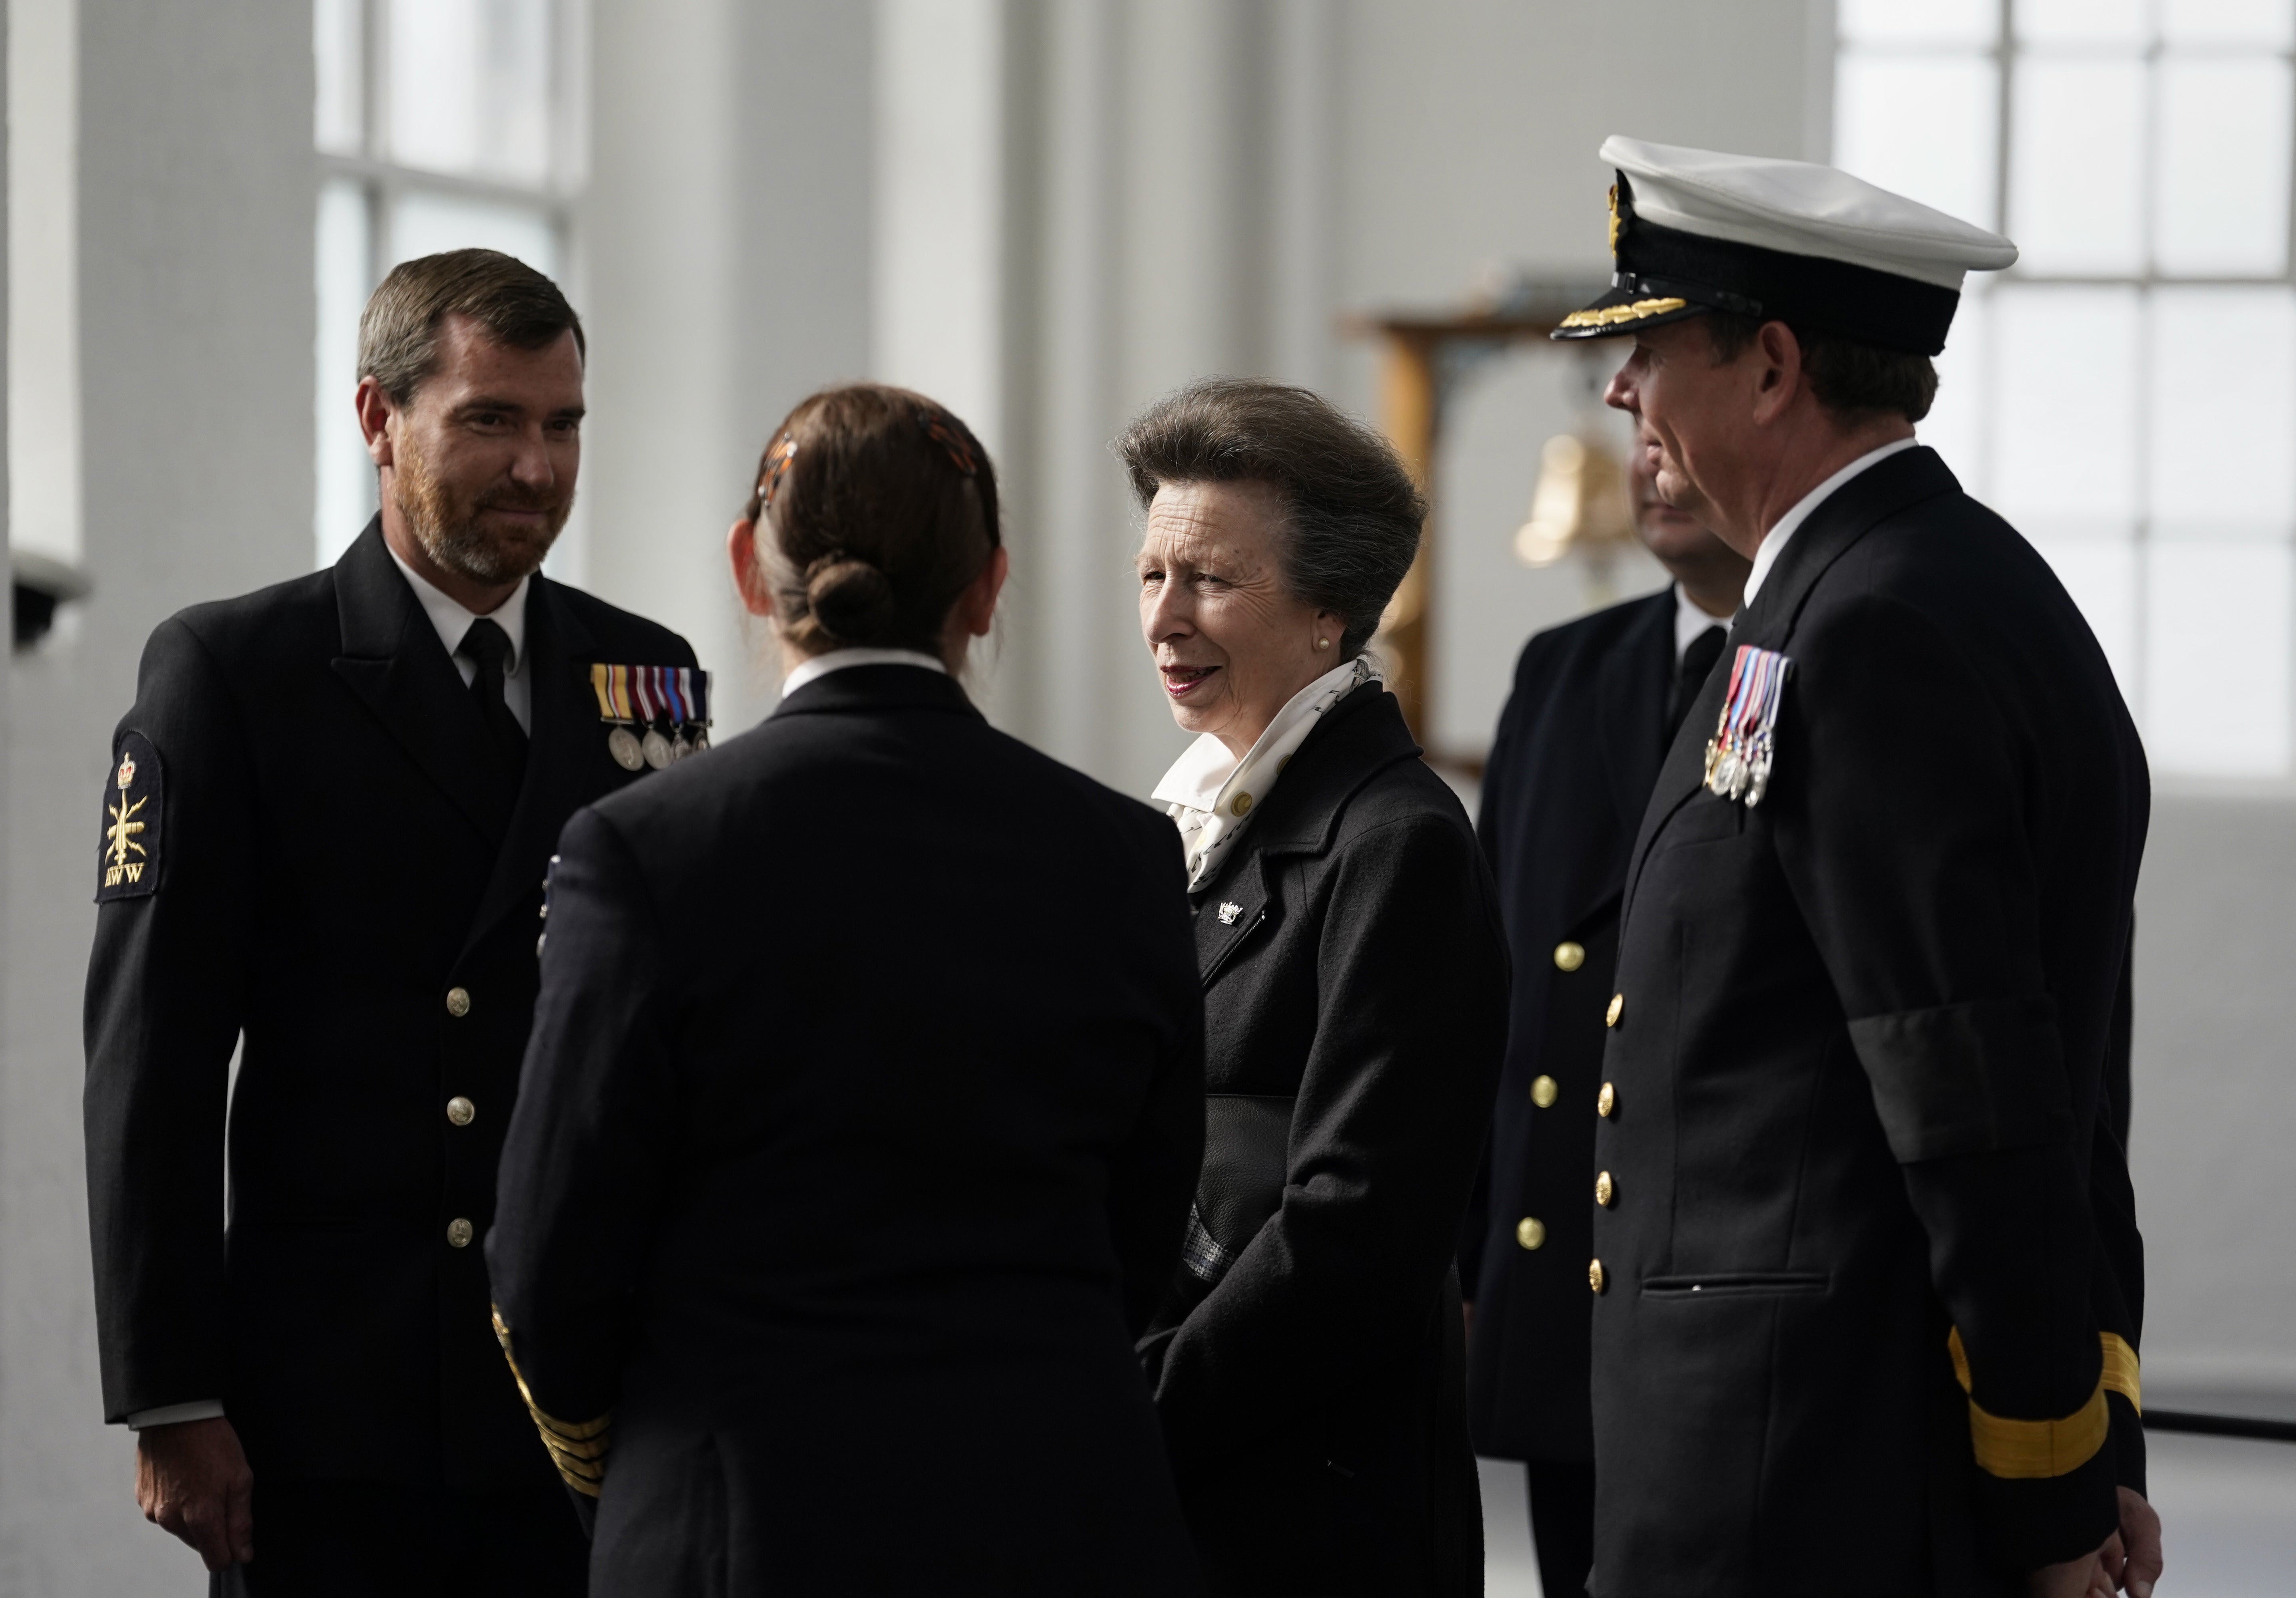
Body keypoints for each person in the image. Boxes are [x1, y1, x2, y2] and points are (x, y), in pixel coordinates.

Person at [1551, 136, 2162, 1598]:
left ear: (1770, 367)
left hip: (1812, 1476)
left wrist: (2052, 1485)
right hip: (1800, 1452)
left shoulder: (1874, 627)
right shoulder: (1891, 589)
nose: (1622, 393)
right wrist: (2093, 1447)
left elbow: (1980, 1100)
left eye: (1649, 350)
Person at [485, 384, 1208, 1596]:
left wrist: (650, 1462)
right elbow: (1142, 1235)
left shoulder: (645, 849)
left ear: (747, 571)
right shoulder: (1125, 854)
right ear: (988, 586)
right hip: (1060, 1521)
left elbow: (553, 1257)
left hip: (745, 1527)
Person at [82, 248, 698, 1596]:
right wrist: (170, 1396)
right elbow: (156, 1060)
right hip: (333, 1408)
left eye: (562, 425)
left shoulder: (642, 677)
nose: (536, 469)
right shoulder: (236, 675)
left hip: (579, 1408)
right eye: (490, 420)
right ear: (379, 418)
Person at [1121, 378, 1509, 1597]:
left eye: (1211, 581)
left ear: (1331, 610)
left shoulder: (1395, 841)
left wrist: (1133, 1410)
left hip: (1306, 1504)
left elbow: (1357, 1231)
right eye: (1151, 576)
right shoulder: (1184, 814)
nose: (1166, 618)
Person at [1459, 431, 1749, 1597]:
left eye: (1681, 441)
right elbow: (1492, 985)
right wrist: (1471, 1244)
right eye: (1637, 443)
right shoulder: (1565, 667)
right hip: (1559, 1249)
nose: (1652, 466)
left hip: (1720, 1279)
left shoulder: (1824, 660)